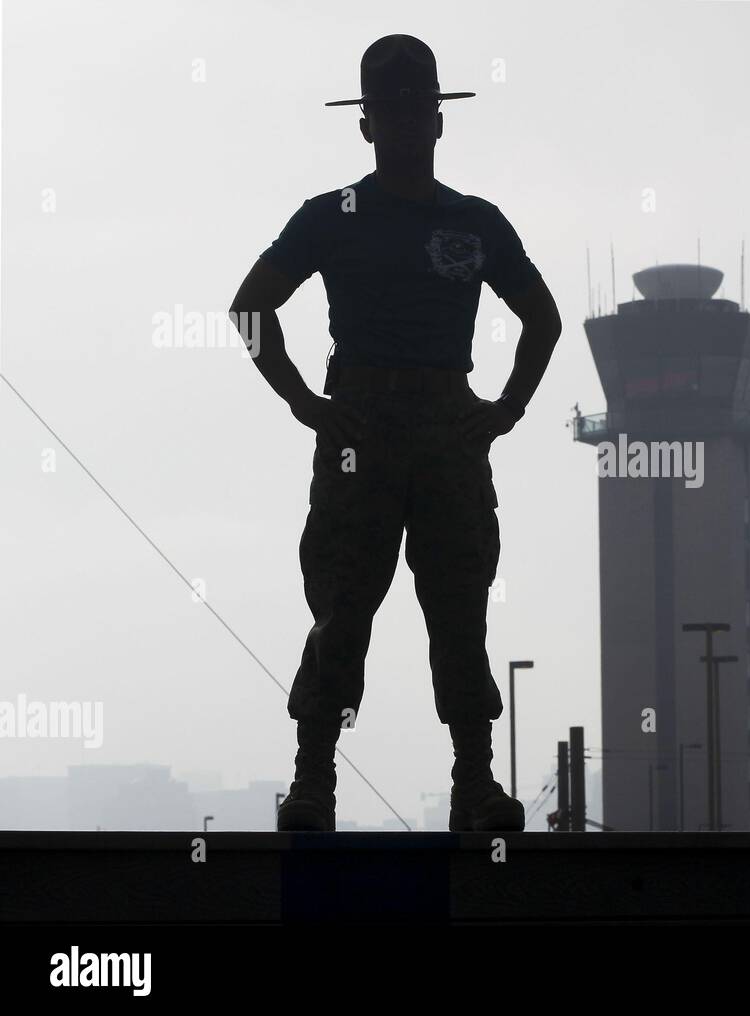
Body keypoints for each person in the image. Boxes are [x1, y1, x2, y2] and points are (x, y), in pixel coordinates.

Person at [228, 34, 562, 832]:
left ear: (439, 122)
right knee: (343, 603)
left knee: (459, 607)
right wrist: (305, 402)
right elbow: (250, 305)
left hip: (447, 431)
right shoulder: (331, 218)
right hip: (362, 430)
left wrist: (506, 408)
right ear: (368, 126)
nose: (410, 124)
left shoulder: (474, 223)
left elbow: (542, 319)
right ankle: (314, 781)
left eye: (419, 109)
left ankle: (473, 784)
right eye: (393, 110)